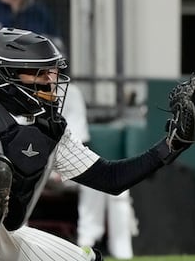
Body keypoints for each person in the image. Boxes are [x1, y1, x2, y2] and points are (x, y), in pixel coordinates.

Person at [0, 27, 195, 261]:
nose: (51, 82)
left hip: (2, 234)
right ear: (7, 76)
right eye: (40, 73)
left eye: (52, 72)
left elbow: (110, 178)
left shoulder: (47, 128)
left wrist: (173, 144)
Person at [61, 80, 138, 259]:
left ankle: (88, 240)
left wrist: (61, 167)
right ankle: (17, 234)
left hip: (64, 162)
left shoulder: (70, 92)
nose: (51, 74)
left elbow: (77, 139)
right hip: (33, 165)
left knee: (98, 180)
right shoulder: (20, 92)